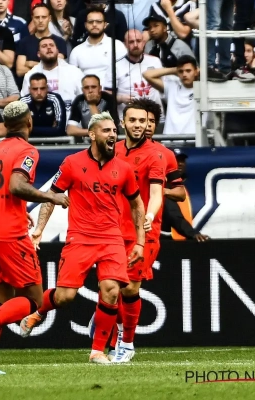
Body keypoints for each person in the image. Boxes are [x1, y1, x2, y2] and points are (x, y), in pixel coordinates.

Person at [19, 111, 146, 364]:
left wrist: (140, 241)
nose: (113, 135)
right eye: (106, 131)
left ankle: (97, 351)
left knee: (111, 291)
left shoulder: (124, 168)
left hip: (112, 239)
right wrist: (39, 229)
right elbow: (51, 197)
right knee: (65, 297)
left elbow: (137, 204)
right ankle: (39, 312)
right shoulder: (72, 163)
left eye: (114, 130)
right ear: (92, 135)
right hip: (80, 238)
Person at [0, 100, 70, 375]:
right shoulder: (27, 150)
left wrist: (11, 209)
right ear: (29, 122)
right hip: (9, 235)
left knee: (1, 301)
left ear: (6, 125)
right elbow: (16, 185)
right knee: (34, 300)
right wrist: (50, 196)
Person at [100, 102, 168, 363]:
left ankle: (126, 343)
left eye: (143, 120)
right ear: (123, 123)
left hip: (142, 232)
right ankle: (116, 334)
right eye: (133, 120)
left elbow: (156, 193)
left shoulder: (156, 155)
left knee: (129, 288)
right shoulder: (112, 150)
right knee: (112, 287)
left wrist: (149, 216)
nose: (138, 125)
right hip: (112, 230)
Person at [143, 55, 198, 136]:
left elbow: (214, 74)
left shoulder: (204, 88)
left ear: (196, 71)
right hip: (170, 139)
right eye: (181, 71)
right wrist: (174, 70)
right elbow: (146, 74)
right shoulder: (172, 86)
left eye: (188, 71)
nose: (184, 74)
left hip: (193, 139)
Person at [20, 72, 66, 137]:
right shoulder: (23, 102)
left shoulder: (55, 99)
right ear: (29, 89)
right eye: (35, 89)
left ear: (47, 88)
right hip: (29, 142)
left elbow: (60, 130)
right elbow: (19, 130)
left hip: (54, 142)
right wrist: (52, 129)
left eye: (42, 88)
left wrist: (30, 128)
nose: (39, 93)